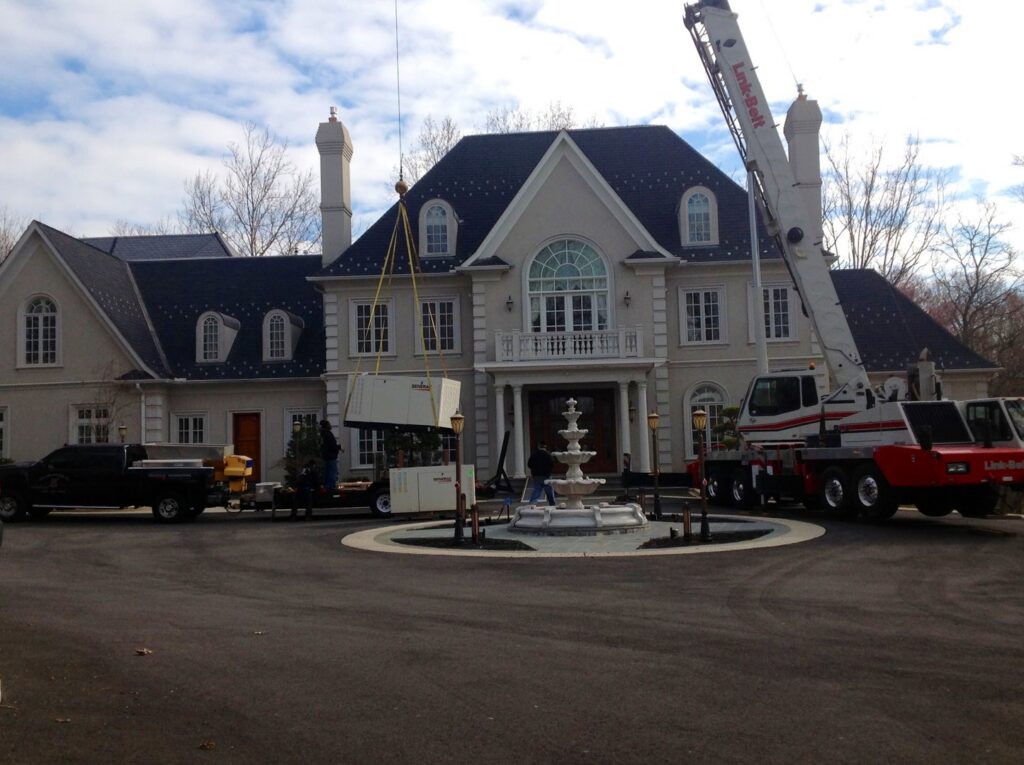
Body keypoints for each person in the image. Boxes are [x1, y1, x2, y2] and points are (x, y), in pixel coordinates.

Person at [527, 441, 556, 506]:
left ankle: (532, 504)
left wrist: (534, 470)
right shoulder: (548, 454)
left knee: (536, 490)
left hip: (536, 475)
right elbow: (552, 464)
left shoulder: (534, 455)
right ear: (545, 447)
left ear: (539, 447)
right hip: (546, 476)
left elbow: (529, 464)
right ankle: (552, 504)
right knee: (549, 491)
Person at [319, 419, 341, 491]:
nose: (330, 425)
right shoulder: (328, 434)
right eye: (329, 424)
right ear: (326, 426)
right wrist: (337, 447)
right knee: (332, 472)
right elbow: (331, 445)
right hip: (331, 456)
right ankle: (331, 487)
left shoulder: (323, 434)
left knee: (328, 472)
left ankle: (327, 486)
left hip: (327, 456)